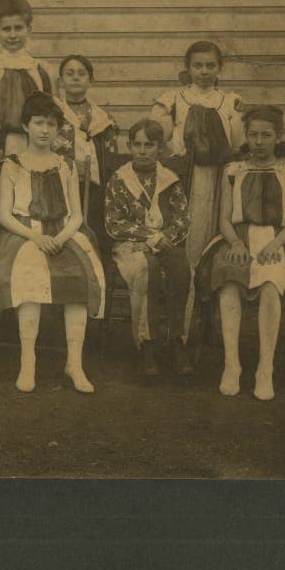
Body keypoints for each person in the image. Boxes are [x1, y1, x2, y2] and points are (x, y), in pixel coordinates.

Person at [0, 92, 106, 394]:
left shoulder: (66, 165)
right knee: (30, 275)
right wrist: (36, 236)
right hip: (21, 233)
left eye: (51, 124)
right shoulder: (12, 164)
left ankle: (74, 362)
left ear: (58, 128)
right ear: (25, 126)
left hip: (62, 231)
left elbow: (76, 215)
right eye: (38, 123)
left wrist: (60, 237)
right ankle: (28, 360)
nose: (45, 130)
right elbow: (5, 215)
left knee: (79, 276)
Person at [194, 105, 285, 401]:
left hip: (277, 238)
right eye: (253, 134)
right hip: (237, 236)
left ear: (278, 136)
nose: (259, 141)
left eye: (266, 135)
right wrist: (235, 243)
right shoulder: (234, 170)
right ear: (246, 135)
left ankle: (264, 368)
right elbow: (223, 218)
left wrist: (275, 244)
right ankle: (232, 365)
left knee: (272, 284)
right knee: (229, 281)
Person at [104, 119, 192, 378]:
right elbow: (114, 223)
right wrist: (150, 237)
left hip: (166, 243)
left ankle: (177, 341)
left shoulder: (170, 180)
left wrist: (163, 238)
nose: (142, 150)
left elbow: (182, 218)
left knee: (186, 270)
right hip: (130, 245)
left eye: (149, 145)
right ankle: (146, 344)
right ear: (129, 146)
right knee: (144, 269)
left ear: (160, 149)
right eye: (137, 144)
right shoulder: (119, 180)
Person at [149, 40, 245, 269]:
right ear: (188, 67)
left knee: (214, 226)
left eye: (210, 66)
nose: (204, 71)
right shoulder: (173, 99)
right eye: (198, 65)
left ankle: (209, 282)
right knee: (187, 226)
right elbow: (154, 137)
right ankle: (184, 281)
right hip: (182, 176)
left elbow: (238, 143)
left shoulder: (230, 102)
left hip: (219, 175)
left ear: (219, 68)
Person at [56, 54, 120, 245]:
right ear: (61, 81)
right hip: (61, 187)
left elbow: (111, 156)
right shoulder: (53, 114)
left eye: (82, 74)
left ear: (91, 80)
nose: (76, 78)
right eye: (70, 73)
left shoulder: (103, 118)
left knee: (93, 230)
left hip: (94, 189)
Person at [0, 0, 59, 158]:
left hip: (37, 145)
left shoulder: (42, 70)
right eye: (6, 29)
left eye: (18, 28)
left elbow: (55, 113)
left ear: (29, 29)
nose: (12, 35)